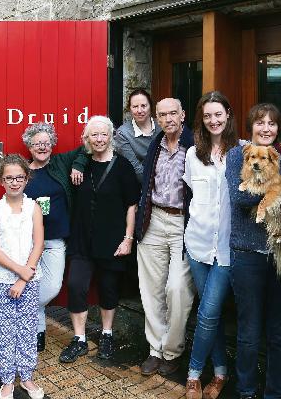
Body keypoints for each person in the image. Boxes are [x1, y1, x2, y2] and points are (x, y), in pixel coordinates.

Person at [59, 116, 139, 363]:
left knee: (108, 289)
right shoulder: (79, 165)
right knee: (76, 286)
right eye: (94, 135)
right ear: (87, 139)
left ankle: (106, 334)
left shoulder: (122, 166)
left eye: (104, 134)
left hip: (112, 239)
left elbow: (131, 205)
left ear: (111, 136)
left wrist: (128, 238)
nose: (99, 139)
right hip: (82, 238)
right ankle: (79, 339)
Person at [226, 103, 281, 399]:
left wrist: (262, 191)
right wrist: (269, 191)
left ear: (278, 129)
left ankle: (275, 392)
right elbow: (238, 201)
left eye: (272, 124)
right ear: (250, 127)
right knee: (249, 330)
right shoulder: (235, 156)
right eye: (260, 123)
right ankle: (246, 391)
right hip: (247, 254)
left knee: (278, 331)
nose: (266, 128)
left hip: (279, 253)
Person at [183, 92, 237, 399]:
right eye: (207, 116)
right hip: (198, 243)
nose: (213, 120)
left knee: (207, 314)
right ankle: (219, 372)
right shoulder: (194, 154)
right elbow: (193, 193)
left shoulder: (242, 151)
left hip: (228, 248)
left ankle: (193, 374)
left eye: (218, 114)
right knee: (209, 312)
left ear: (228, 114)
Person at [136, 98, 195, 377]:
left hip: (184, 222)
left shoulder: (195, 144)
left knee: (177, 288)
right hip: (155, 219)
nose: (169, 118)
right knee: (151, 288)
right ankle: (155, 349)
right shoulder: (155, 146)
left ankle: (173, 350)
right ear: (157, 118)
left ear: (183, 115)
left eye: (173, 113)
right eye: (163, 114)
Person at [21, 122, 87, 352]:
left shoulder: (59, 162)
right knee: (30, 282)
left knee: (52, 287)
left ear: (52, 145)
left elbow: (85, 149)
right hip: (28, 242)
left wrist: (78, 165)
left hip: (55, 240)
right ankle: (38, 332)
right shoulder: (24, 172)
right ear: (29, 146)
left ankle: (23, 314)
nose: (42, 147)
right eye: (37, 143)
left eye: (46, 143)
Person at [0, 154, 45, 399]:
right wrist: (17, 271)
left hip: (29, 279)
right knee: (4, 329)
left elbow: (38, 243)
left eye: (19, 177)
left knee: (27, 327)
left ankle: (27, 376)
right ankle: (7, 379)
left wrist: (24, 276)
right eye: (9, 178)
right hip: (2, 279)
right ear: (1, 180)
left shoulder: (34, 208)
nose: (14, 182)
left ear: (26, 178)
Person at [114, 88, 161, 182]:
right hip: (141, 184)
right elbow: (135, 168)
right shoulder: (123, 133)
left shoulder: (161, 127)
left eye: (143, 106)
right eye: (135, 106)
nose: (139, 110)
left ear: (150, 106)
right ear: (129, 109)